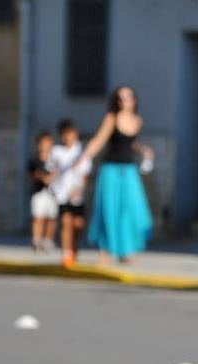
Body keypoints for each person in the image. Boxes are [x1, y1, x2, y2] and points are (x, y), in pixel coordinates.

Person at [79, 85, 155, 265]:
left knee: (130, 210)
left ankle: (126, 250)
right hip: (110, 169)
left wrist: (144, 150)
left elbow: (131, 144)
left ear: (134, 99)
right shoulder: (111, 118)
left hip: (129, 170)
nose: (124, 101)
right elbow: (99, 140)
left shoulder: (137, 121)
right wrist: (83, 158)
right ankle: (105, 250)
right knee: (109, 209)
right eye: (120, 98)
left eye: (128, 97)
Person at [48, 118, 89, 267]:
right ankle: (66, 254)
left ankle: (74, 248)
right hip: (62, 194)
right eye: (65, 134)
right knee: (66, 222)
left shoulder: (81, 152)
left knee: (78, 224)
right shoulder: (56, 151)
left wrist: (79, 190)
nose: (68, 137)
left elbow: (85, 175)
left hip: (77, 196)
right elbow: (52, 170)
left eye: (70, 134)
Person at [27, 131, 58, 253]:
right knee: (38, 217)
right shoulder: (34, 160)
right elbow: (32, 173)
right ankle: (36, 240)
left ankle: (47, 240)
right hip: (38, 191)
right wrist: (44, 178)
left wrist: (52, 177)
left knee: (51, 217)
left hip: (53, 192)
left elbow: (59, 171)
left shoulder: (55, 159)